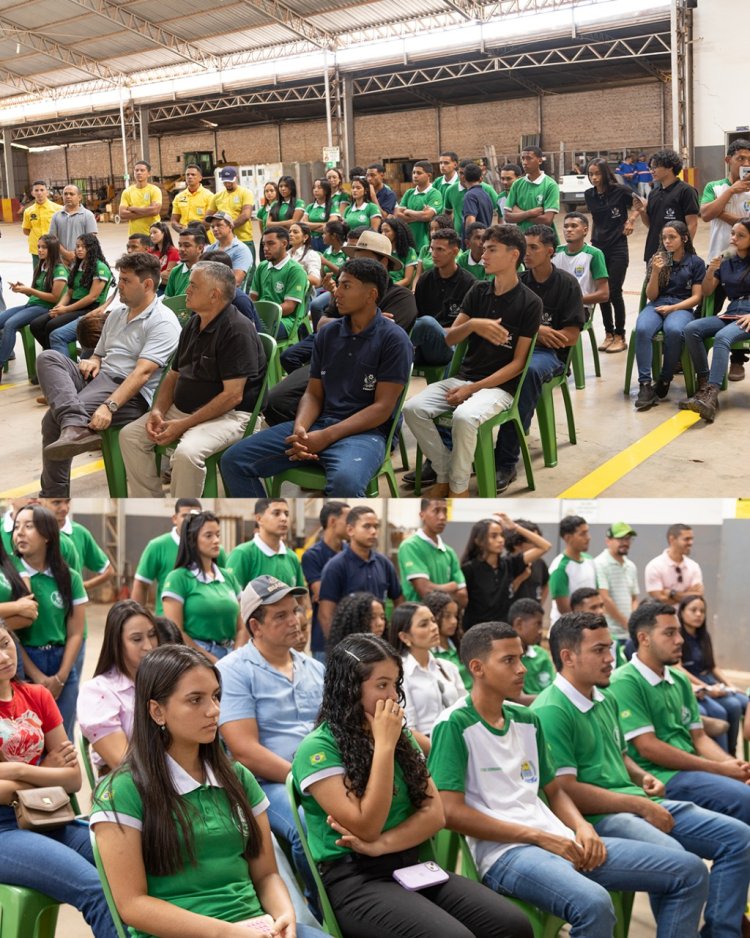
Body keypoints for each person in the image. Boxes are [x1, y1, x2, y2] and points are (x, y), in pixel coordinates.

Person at [428, 621, 710, 938]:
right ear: (477, 668)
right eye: (508, 660)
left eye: (520, 658)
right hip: (506, 853)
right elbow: (450, 812)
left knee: (690, 871)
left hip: (560, 838)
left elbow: (555, 791)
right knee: (594, 903)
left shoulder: (526, 718)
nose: (521, 669)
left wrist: (582, 827)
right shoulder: (454, 724)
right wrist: (537, 837)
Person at [292, 633, 531, 938]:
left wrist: (381, 846)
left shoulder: (400, 736)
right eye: (382, 685)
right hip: (355, 879)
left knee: (512, 925)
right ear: (349, 688)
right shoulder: (318, 748)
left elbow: (435, 814)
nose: (393, 696)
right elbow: (367, 826)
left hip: (412, 865)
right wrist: (384, 747)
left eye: (395, 684)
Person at [533, 612, 750, 938]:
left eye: (609, 648)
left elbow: (621, 756)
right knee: (684, 865)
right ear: (568, 657)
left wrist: (639, 777)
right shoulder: (552, 709)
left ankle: (723, 933)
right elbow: (565, 790)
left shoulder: (603, 696)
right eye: (599, 650)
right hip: (599, 817)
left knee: (739, 838)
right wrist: (640, 805)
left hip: (635, 801)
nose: (610, 658)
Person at [92, 643, 325, 938]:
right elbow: (132, 905)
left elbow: (267, 875)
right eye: (195, 700)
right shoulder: (123, 791)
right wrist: (226, 933)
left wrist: (284, 915)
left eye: (216, 696)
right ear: (157, 711)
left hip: (256, 928)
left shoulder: (238, 778)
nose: (214, 710)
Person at [221, 258, 412, 497]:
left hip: (365, 433)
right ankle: (266, 519)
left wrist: (326, 436)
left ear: (371, 295)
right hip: (320, 423)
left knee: (345, 484)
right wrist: (301, 429)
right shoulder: (328, 334)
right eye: (339, 285)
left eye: (346, 286)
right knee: (234, 461)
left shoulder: (394, 339)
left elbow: (382, 408)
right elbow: (313, 394)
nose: (336, 293)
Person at [404, 223, 542, 498]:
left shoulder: (530, 302)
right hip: (465, 377)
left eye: (492, 250)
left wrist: (473, 389)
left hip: (500, 388)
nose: (483, 254)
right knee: (413, 409)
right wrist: (473, 324)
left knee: (464, 416)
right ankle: (444, 472)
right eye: (484, 248)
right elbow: (449, 339)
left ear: (514, 255)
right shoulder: (479, 292)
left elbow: (518, 364)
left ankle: (458, 489)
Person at [0, 622, 118, 938]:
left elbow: (73, 779)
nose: (4, 657)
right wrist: (47, 770)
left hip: (48, 815)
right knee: (96, 889)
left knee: (138, 865)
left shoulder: (37, 695)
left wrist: (20, 771)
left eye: (5, 643)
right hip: (4, 829)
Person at [217, 575, 323, 907]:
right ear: (255, 626)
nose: (295, 620)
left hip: (320, 775)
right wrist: (307, 780)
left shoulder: (314, 668)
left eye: (295, 610)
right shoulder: (233, 671)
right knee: (308, 825)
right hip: (267, 784)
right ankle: (323, 910)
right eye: (281, 615)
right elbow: (245, 750)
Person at [36, 251, 179, 495]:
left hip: (129, 393)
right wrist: (93, 360)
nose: (119, 285)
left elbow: (142, 374)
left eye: (126, 280)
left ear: (147, 285)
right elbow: (99, 353)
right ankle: (75, 422)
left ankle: (53, 495)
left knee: (52, 419)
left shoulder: (162, 322)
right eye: (119, 279)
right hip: (100, 378)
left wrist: (109, 407)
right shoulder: (118, 314)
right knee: (48, 357)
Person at [119, 261, 266, 496]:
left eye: (193, 286)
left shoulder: (237, 330)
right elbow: (173, 374)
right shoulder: (195, 322)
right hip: (186, 411)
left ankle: (185, 513)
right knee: (130, 436)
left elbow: (233, 396)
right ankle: (151, 504)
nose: (186, 290)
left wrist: (184, 425)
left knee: (187, 453)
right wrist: (158, 410)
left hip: (230, 416)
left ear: (214, 295)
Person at [609, 602, 750, 827]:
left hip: (690, 770)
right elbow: (648, 747)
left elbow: (699, 738)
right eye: (669, 633)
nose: (680, 640)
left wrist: (734, 765)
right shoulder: (625, 681)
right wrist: (719, 769)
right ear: (644, 639)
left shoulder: (680, 679)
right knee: (744, 799)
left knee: (742, 787)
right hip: (660, 776)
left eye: (679, 632)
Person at [493, 225, 584, 492]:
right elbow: (503, 324)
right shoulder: (518, 281)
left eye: (534, 247)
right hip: (515, 347)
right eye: (525, 247)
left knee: (528, 371)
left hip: (549, 356)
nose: (527, 253)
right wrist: (538, 330)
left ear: (549, 251)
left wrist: (530, 331)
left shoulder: (567, 284)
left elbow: (569, 337)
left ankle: (505, 460)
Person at [10, 504, 86, 739]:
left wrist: (61, 677)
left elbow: (76, 632)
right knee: (30, 740)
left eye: (29, 526)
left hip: (62, 663)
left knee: (63, 740)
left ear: (47, 535)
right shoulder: (10, 578)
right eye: (17, 527)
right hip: (24, 664)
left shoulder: (69, 577)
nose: (20, 532)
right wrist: (37, 676)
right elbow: (11, 636)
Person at [680, 217, 750, 421]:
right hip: (733, 312)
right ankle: (704, 384)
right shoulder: (726, 260)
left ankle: (711, 395)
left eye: (741, 235)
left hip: (748, 316)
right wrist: (711, 271)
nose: (733, 238)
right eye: (733, 233)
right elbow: (707, 291)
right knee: (692, 329)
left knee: (722, 337)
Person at [77, 599, 159, 773]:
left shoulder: (165, 681)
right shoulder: (98, 692)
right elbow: (124, 765)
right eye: (137, 639)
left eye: (152, 635)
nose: (149, 646)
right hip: (129, 784)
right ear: (116, 644)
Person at [633, 221, 705, 411]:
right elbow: (651, 296)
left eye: (672, 237)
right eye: (664, 237)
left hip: (682, 306)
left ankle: (665, 379)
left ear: (684, 238)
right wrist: (656, 272)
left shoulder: (695, 262)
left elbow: (696, 297)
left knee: (674, 331)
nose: (667, 241)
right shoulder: (657, 260)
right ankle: (645, 384)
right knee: (642, 329)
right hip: (657, 304)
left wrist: (673, 308)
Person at [161, 511, 244, 662]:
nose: (216, 540)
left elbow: (242, 626)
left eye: (217, 535)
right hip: (195, 657)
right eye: (208, 536)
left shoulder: (228, 577)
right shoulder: (178, 578)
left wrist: (235, 656)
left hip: (231, 654)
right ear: (192, 540)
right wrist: (210, 659)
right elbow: (176, 632)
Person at [699, 139, 750, 382]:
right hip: (719, 258)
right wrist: (731, 191)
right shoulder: (715, 186)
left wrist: (725, 215)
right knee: (707, 305)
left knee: (742, 308)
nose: (746, 163)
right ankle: (695, 356)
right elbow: (706, 214)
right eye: (740, 158)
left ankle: (737, 359)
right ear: (728, 160)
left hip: (745, 260)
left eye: (749, 159)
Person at [317, 505, 403, 639]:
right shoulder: (336, 566)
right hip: (350, 642)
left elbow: (399, 601)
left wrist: (393, 636)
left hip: (379, 642)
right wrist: (339, 647)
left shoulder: (384, 563)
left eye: (376, 526)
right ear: (350, 530)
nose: (373, 531)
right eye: (367, 526)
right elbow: (326, 614)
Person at [678, 593, 748, 755]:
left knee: (744, 699)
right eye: (693, 610)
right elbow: (678, 668)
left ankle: (732, 752)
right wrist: (707, 688)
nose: (698, 614)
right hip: (695, 683)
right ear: (681, 612)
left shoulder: (704, 635)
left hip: (708, 680)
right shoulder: (678, 636)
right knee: (731, 706)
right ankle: (724, 755)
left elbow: (713, 666)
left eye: (702, 611)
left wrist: (731, 685)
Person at [584, 158, 640, 353]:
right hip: (598, 247)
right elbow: (596, 219)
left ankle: (620, 335)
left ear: (605, 174)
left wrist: (631, 220)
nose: (594, 178)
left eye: (597, 173)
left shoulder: (620, 191)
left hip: (618, 246)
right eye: (591, 174)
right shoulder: (589, 195)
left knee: (614, 291)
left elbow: (642, 203)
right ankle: (608, 333)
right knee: (603, 293)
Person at [133, 500, 227, 616]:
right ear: (174, 518)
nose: (191, 520)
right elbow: (141, 584)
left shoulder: (216, 552)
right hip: (167, 620)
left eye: (195, 516)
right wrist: (139, 618)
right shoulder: (157, 546)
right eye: (185, 516)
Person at [461, 514, 550, 630]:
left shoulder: (509, 564)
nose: (500, 540)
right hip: (477, 631)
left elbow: (545, 546)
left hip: (503, 630)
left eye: (502, 535)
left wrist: (515, 527)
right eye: (494, 536)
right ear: (478, 541)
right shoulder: (469, 569)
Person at [389, 602, 464, 737]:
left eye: (433, 621)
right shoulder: (400, 674)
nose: (434, 627)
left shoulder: (448, 667)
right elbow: (407, 729)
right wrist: (439, 747)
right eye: (424, 624)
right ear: (404, 637)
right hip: (426, 744)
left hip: (457, 737)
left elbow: (465, 708)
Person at [29, 232, 111, 351]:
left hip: (89, 308)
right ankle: (53, 353)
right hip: (73, 304)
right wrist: (58, 308)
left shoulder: (100, 267)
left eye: (84, 247)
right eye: (77, 246)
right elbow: (69, 292)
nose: (79, 249)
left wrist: (66, 309)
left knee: (52, 325)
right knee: (36, 325)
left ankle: (57, 356)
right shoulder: (78, 265)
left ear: (92, 248)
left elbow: (92, 297)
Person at [0, 234, 68, 368]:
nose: (40, 250)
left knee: (10, 324)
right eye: (38, 247)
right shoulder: (41, 266)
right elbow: (36, 294)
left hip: (45, 308)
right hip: (31, 305)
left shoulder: (59, 270)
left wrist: (30, 290)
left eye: (44, 247)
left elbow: (55, 297)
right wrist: (23, 289)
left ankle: (0, 364)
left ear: (52, 249)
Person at [412, 227, 475, 367]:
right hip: (423, 346)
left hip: (450, 346)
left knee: (427, 323)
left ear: (455, 252)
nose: (434, 254)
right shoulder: (425, 279)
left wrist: (435, 331)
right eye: (432, 249)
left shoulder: (469, 283)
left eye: (440, 249)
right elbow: (417, 317)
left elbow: (465, 329)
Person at [300, 500, 350, 661]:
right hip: (324, 642)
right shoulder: (313, 556)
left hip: (354, 639)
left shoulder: (352, 552)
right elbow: (323, 594)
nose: (352, 524)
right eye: (348, 519)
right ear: (333, 521)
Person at [398, 498, 468, 607]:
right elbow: (425, 591)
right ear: (422, 515)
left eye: (445, 511)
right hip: (418, 615)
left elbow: (463, 597)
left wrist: (437, 589)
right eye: (436, 511)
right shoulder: (410, 546)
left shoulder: (449, 552)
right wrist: (451, 587)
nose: (442, 517)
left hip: (446, 617)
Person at [227, 498, 307, 592]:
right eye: (276, 513)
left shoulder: (292, 557)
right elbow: (230, 595)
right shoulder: (242, 554)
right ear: (259, 519)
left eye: (286, 514)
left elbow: (302, 597)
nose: (284, 518)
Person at [636, 150, 700, 263]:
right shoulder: (653, 193)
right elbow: (650, 224)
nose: (652, 171)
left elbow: (692, 224)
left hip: (675, 254)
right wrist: (642, 211)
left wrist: (682, 251)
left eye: (655, 167)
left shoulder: (686, 191)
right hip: (653, 252)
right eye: (651, 168)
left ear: (669, 167)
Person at [40, 496, 113, 592]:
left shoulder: (80, 533)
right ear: (42, 502)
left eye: (67, 502)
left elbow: (108, 571)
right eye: (56, 502)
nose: (64, 508)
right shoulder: (34, 532)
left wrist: (82, 586)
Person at [249, 225, 309, 339]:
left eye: (271, 243)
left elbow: (289, 307)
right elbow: (253, 297)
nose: (265, 248)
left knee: (249, 333)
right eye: (264, 244)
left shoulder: (295, 270)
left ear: (284, 244)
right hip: (260, 317)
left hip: (283, 321)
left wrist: (258, 316)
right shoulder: (262, 266)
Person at [553, 213, 610, 315]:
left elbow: (604, 294)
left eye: (574, 226)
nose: (568, 230)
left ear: (585, 230)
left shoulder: (594, 254)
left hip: (580, 308)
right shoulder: (555, 252)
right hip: (554, 307)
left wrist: (571, 300)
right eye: (566, 226)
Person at [593, 522, 640, 645]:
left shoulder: (631, 566)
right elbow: (604, 598)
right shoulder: (600, 564)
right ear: (608, 541)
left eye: (628, 539)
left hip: (629, 633)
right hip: (610, 632)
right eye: (620, 539)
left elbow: (634, 598)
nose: (625, 542)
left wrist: (633, 621)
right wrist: (626, 623)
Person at [502, 146, 560, 242]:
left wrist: (519, 213)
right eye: (523, 158)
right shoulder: (517, 184)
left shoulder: (550, 185)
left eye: (529, 158)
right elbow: (507, 217)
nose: (524, 162)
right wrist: (529, 213)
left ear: (540, 161)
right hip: (522, 240)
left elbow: (547, 220)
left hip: (542, 241)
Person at [548, 515, 597, 625]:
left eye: (587, 532)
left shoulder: (590, 561)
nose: (588, 537)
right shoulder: (560, 567)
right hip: (568, 629)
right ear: (568, 538)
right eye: (582, 534)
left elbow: (597, 597)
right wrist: (583, 627)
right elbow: (564, 609)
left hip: (589, 626)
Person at [644, 523, 703, 609]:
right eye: (686, 539)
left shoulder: (694, 566)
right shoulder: (654, 566)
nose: (691, 543)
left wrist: (672, 593)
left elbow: (698, 596)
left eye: (692, 539)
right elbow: (659, 599)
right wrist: (687, 593)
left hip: (687, 617)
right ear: (672, 539)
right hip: (663, 617)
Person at [508, 597, 555, 700]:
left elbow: (553, 689)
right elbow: (518, 700)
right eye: (538, 624)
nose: (541, 631)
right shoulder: (506, 658)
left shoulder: (541, 655)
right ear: (519, 624)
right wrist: (552, 700)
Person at [423, 589, 470, 690]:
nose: (454, 621)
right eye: (447, 616)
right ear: (433, 617)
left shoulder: (462, 644)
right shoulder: (427, 653)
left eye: (456, 616)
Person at [395, 160, 444, 252]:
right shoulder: (409, 193)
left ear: (429, 175)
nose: (415, 175)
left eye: (419, 173)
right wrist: (420, 216)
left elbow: (427, 216)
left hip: (426, 244)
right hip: (408, 243)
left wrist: (408, 211)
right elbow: (397, 215)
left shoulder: (435, 193)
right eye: (413, 172)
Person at [208, 166, 255, 255]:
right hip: (224, 241)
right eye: (225, 181)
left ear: (236, 177)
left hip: (243, 239)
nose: (227, 184)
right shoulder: (217, 196)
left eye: (230, 181)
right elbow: (208, 216)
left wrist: (229, 227)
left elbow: (246, 215)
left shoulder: (245, 193)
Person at [48, 183, 97, 264]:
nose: (68, 196)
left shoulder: (88, 215)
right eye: (65, 194)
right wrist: (65, 253)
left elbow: (91, 240)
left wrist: (77, 254)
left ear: (79, 197)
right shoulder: (56, 216)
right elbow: (52, 239)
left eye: (71, 194)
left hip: (81, 261)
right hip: (61, 261)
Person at [504, 518, 550, 604]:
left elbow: (545, 584)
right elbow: (504, 594)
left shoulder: (539, 562)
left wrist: (539, 605)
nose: (538, 546)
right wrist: (520, 579)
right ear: (517, 544)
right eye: (534, 542)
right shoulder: (506, 564)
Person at [203, 210, 253, 285]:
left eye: (219, 225)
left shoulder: (241, 250)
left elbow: (236, 281)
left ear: (230, 226)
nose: (215, 229)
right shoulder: (210, 249)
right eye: (212, 227)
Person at [21, 179, 61, 268]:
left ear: (47, 192)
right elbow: (26, 230)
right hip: (36, 249)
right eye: (36, 190)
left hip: (53, 248)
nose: (39, 193)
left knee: (54, 272)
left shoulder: (58, 209)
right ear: (32, 193)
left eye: (42, 190)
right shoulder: (28, 211)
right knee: (38, 272)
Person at [118, 161, 163, 237]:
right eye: (136, 170)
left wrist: (133, 208)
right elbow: (122, 214)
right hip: (134, 236)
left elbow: (154, 211)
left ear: (149, 174)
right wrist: (147, 212)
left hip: (152, 235)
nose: (139, 172)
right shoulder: (127, 192)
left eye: (142, 170)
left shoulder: (154, 190)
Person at [169, 162, 213, 238]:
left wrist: (191, 232)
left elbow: (207, 223)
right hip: (185, 238)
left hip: (204, 238)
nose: (190, 177)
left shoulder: (209, 196)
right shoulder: (179, 197)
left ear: (200, 178)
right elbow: (173, 221)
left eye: (193, 174)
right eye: (187, 175)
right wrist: (182, 231)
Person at [164, 226, 206, 297]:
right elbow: (168, 298)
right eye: (180, 245)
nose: (181, 249)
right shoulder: (175, 271)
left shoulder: (207, 272)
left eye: (187, 245)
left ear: (200, 248)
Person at [461, 162, 495, 244]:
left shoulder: (470, 195)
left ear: (464, 178)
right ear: (481, 178)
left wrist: (469, 241)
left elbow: (470, 220)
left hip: (476, 242)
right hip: (485, 239)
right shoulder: (485, 194)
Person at [289, 222, 322, 289]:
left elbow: (316, 280)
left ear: (305, 237)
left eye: (295, 232)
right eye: (289, 232)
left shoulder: (311, 255)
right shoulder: (286, 254)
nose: (291, 234)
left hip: (302, 293)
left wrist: (291, 276)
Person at [149, 221, 179, 288]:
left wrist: (151, 275)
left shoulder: (173, 251)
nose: (151, 236)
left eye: (155, 232)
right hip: (152, 284)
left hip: (165, 287)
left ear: (164, 233)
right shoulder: (150, 251)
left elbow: (168, 275)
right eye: (150, 233)